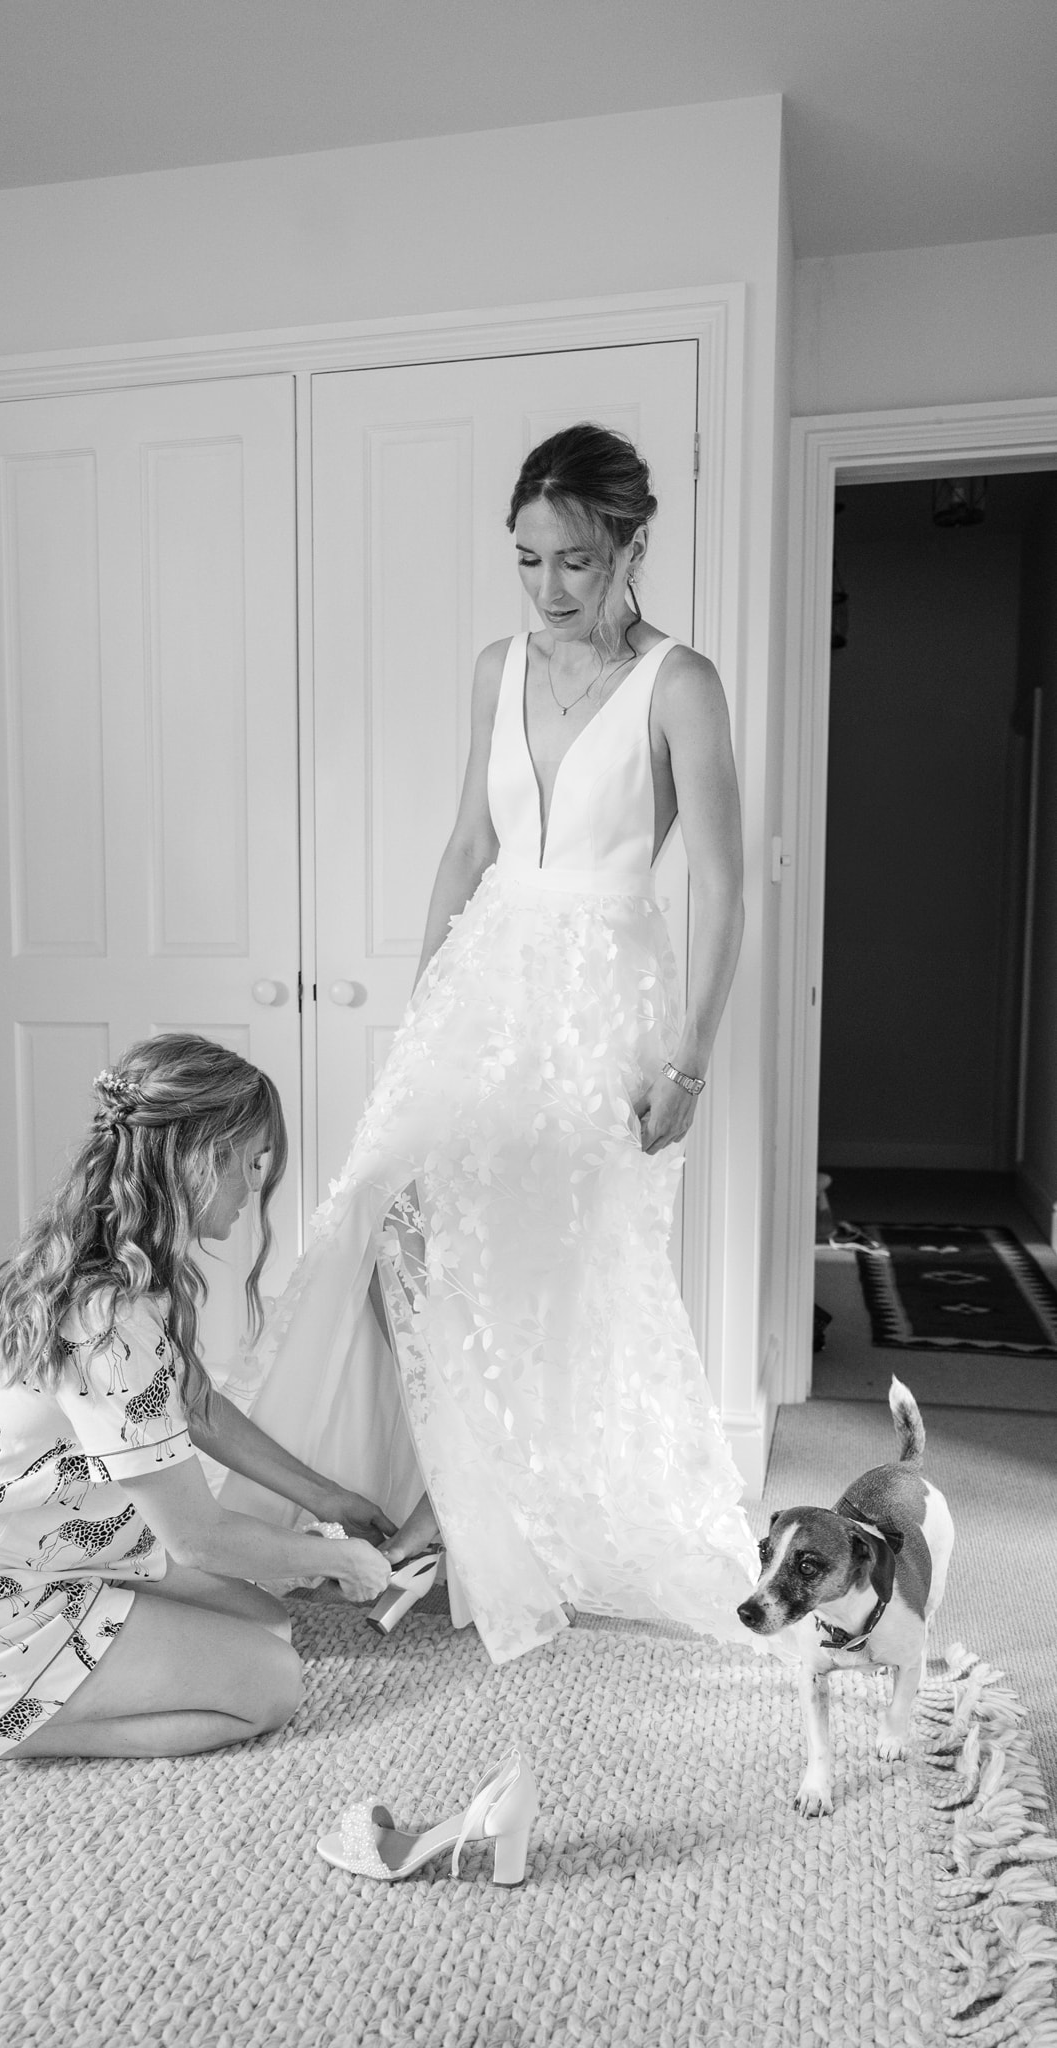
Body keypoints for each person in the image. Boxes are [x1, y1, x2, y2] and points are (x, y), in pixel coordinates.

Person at [223, 423, 759, 1663]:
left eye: (573, 559)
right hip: (483, 975)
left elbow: (724, 889)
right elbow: (467, 843)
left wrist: (690, 1058)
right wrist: (423, 1009)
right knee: (391, 1210)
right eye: (526, 560)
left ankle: (504, 1520)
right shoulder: (495, 667)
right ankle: (402, 1497)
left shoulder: (684, 683)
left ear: (630, 544)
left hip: (603, 995)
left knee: (550, 1262)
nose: (549, 587)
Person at [0, 1035, 393, 1765]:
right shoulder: (110, 1317)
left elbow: (193, 1407)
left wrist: (326, 1501)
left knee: (267, 1625)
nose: (257, 1186)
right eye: (255, 1160)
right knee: (270, 1684)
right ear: (206, 1157)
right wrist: (340, 1563)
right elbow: (196, 1537)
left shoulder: (97, 1256)